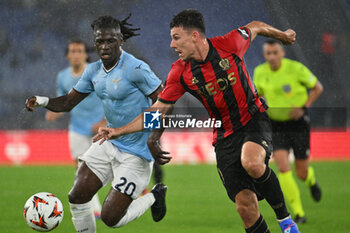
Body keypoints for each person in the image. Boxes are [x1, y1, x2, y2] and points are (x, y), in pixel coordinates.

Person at [94, 9, 300, 233]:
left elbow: (256, 26)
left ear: (194, 36)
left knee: (251, 162)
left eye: (176, 37)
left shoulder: (230, 43)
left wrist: (283, 35)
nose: (172, 45)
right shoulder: (180, 73)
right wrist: (119, 131)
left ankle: (286, 222)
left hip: (253, 119)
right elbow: (158, 111)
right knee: (245, 207)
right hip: (223, 136)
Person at [25, 15, 167, 233]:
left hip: (136, 153)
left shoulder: (136, 68)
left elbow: (164, 105)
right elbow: (68, 102)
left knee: (111, 218)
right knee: (77, 196)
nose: (104, 46)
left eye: (110, 40)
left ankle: (154, 195)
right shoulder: (93, 71)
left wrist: (154, 139)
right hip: (108, 142)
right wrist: (42, 101)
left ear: (121, 40)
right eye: (99, 41)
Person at [253, 39, 323, 223]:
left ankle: (311, 181)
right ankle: (299, 213)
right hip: (276, 126)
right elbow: (258, 95)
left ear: (282, 53)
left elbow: (317, 88)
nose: (272, 57)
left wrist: (303, 107)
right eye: (268, 53)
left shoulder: (296, 69)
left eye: (275, 53)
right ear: (265, 55)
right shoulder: (260, 72)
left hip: (298, 124)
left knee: (301, 172)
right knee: (283, 167)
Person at [45, 39, 105, 218]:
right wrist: (54, 112)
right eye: (73, 51)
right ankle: (94, 208)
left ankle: (134, 192)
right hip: (78, 128)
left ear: (85, 54)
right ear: (67, 55)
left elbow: (110, 96)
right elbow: (65, 102)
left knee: (107, 168)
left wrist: (105, 121)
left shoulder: (96, 71)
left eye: (80, 51)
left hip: (102, 129)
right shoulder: (63, 77)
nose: (76, 54)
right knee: (81, 169)